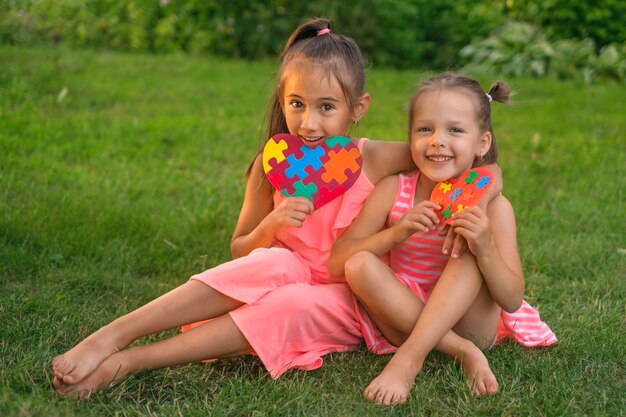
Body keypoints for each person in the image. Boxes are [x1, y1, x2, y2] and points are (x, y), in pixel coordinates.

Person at [49, 17, 431, 398]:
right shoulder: (272, 163)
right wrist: (272, 224)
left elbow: (452, 161)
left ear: (358, 107)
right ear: (282, 98)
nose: (308, 123)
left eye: (326, 107)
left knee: (293, 303)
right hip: (288, 268)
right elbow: (240, 251)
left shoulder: (375, 157)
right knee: (272, 262)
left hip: (351, 295)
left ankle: (130, 361)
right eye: (296, 104)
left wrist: (487, 172)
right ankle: (114, 335)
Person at [329, 74, 557, 406]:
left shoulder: (494, 208)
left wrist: (486, 250)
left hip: (470, 322)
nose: (437, 140)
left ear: (482, 143)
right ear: (409, 138)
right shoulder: (394, 191)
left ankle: (409, 359)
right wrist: (395, 234)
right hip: (402, 312)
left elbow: (511, 299)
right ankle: (460, 352)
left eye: (455, 130)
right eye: (425, 129)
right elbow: (339, 261)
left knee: (468, 246)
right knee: (359, 264)